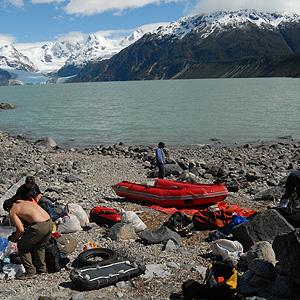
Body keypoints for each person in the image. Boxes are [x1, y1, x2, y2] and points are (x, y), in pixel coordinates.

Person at [3, 198, 53, 279]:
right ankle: (42, 269)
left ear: (7, 209)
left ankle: (31, 272)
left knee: (22, 247)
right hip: (49, 223)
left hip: (39, 226)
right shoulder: (26, 202)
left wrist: (15, 238)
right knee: (40, 246)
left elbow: (21, 230)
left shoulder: (12, 211)